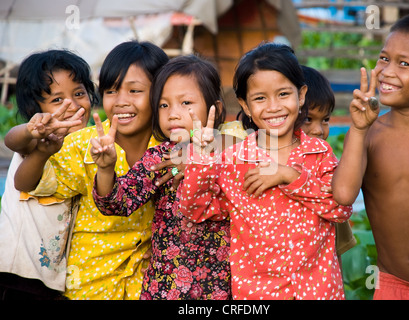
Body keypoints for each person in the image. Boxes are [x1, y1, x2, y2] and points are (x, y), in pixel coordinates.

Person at [179, 42, 352, 300]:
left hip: (320, 291)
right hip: (260, 295)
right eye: (260, 98)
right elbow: (195, 209)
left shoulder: (319, 152)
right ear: (245, 105)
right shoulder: (234, 160)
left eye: (283, 94)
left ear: (301, 95)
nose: (273, 107)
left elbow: (340, 209)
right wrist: (201, 159)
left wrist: (290, 176)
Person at [12, 41, 169, 299]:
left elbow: (227, 140)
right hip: (91, 279)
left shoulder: (172, 145)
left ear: (160, 94)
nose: (121, 102)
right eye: (111, 91)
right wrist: (41, 152)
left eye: (135, 91)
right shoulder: (83, 143)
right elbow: (25, 182)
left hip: (149, 279)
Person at [90, 54, 231, 300]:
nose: (173, 114)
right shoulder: (160, 158)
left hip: (222, 286)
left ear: (215, 109)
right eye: (164, 105)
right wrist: (105, 169)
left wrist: (203, 159)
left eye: (186, 103)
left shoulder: (233, 150)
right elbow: (118, 202)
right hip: (167, 286)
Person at [331, 14, 409, 300]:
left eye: (404, 63)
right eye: (384, 58)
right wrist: (358, 130)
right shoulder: (368, 135)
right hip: (389, 284)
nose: (386, 71)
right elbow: (344, 195)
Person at [0, 49, 96, 299]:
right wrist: (34, 131)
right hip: (15, 272)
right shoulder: (36, 138)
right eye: (57, 100)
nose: (73, 106)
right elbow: (12, 140)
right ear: (36, 109)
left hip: (49, 279)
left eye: (79, 94)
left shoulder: (85, 146)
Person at [301, 65, 357, 259]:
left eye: (325, 120)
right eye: (308, 119)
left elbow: (341, 203)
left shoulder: (325, 157)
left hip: (327, 252)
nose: (319, 130)